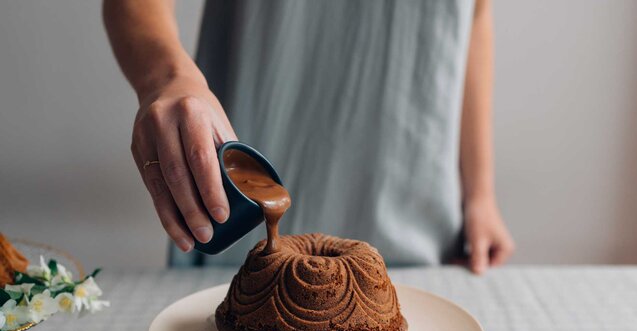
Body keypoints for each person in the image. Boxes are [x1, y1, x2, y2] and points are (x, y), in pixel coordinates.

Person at [104, 0, 514, 273]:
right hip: (238, 223)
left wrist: (480, 193)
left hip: (420, 233)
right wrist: (168, 77)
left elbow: (474, 14)